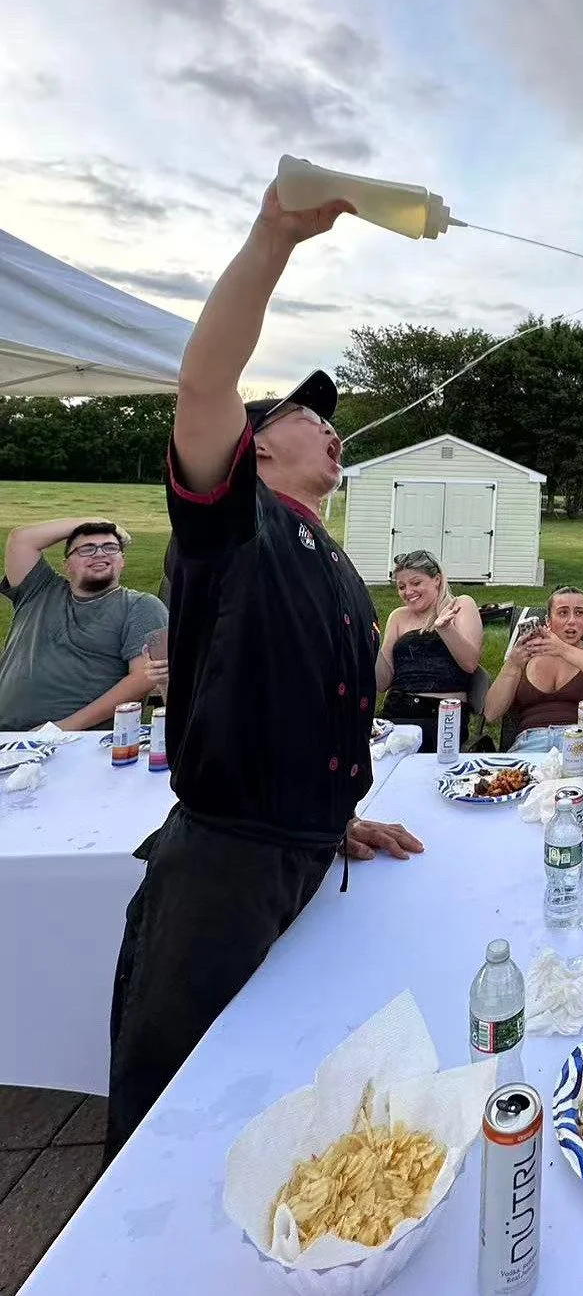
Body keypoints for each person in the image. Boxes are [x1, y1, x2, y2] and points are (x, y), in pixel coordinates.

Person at [105, 181, 423, 1164]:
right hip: (218, 875)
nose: (328, 426)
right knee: (174, 1125)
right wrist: (273, 236)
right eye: (300, 415)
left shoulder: (323, 549)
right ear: (255, 444)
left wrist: (326, 820)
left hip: (292, 852)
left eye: (330, 420)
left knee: (268, 1106)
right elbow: (204, 383)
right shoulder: (228, 522)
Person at [0, 519, 166, 733]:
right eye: (86, 549)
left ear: (122, 561)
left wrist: (61, 729)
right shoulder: (38, 591)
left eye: (110, 547)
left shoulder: (140, 606)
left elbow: (144, 677)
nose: (99, 553)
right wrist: (99, 522)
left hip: (77, 740)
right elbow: (20, 540)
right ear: (66, 565)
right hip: (6, 734)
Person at [481, 585, 583, 745]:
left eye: (579, 613)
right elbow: (491, 713)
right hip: (531, 744)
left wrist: (562, 649)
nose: (572, 621)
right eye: (563, 613)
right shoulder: (526, 655)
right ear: (548, 621)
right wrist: (512, 665)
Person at [376, 550, 483, 748]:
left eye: (416, 583)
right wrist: (370, 644)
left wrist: (445, 629)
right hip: (396, 711)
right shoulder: (398, 617)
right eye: (401, 586)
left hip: (440, 715)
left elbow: (470, 664)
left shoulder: (460, 606)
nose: (408, 592)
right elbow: (383, 683)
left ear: (437, 579)